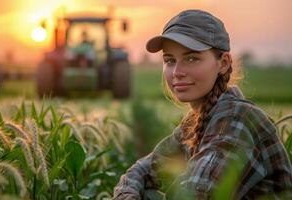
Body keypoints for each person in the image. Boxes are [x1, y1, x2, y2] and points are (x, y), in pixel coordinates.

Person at [112, 9, 292, 200]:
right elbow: (141, 171)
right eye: (170, 60)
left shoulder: (237, 120)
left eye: (191, 58)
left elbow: (197, 195)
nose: (177, 72)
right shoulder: (197, 121)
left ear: (223, 63)